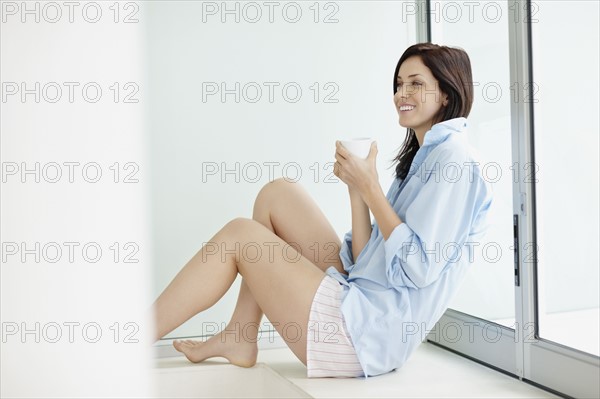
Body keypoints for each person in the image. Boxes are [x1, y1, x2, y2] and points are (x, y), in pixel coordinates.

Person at [152, 42, 494, 378]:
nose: (401, 93)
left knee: (240, 235)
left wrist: (371, 188)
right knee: (278, 194)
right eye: (399, 84)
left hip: (364, 337)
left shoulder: (455, 161)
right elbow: (365, 260)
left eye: (416, 84)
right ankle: (241, 335)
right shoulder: (422, 160)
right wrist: (357, 192)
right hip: (361, 300)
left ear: (447, 94)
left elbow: (419, 268)